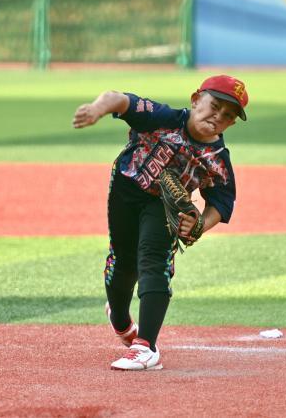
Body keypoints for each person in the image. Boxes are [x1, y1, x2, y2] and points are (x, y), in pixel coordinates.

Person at [71, 75, 249, 371]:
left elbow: (221, 202)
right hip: (125, 189)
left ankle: (146, 347)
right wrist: (96, 109)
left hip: (163, 206)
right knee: (122, 263)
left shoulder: (217, 158)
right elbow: (119, 99)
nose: (219, 116)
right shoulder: (163, 118)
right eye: (215, 106)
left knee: (153, 262)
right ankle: (120, 319)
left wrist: (199, 226)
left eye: (229, 115)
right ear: (196, 100)